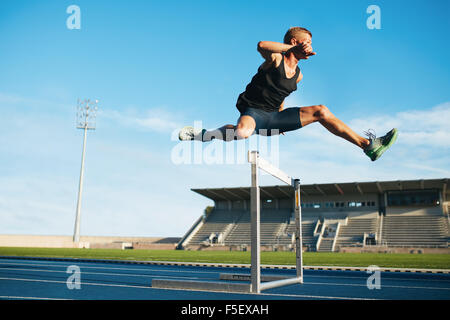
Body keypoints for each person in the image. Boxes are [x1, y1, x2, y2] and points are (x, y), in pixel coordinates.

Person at [178, 27, 397, 161]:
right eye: (307, 43)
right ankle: (204, 135)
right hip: (253, 112)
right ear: (295, 42)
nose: (311, 48)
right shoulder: (275, 59)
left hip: (275, 118)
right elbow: (261, 44)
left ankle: (368, 146)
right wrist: (291, 49)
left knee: (321, 111)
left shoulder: (299, 75)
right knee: (243, 133)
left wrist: (281, 120)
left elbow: (281, 96)